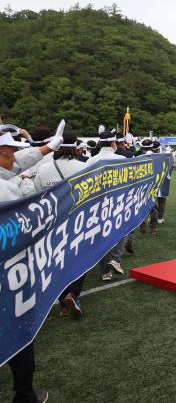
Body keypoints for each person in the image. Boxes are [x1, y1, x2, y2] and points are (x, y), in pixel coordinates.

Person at [0, 121, 63, 403]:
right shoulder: (6, 191)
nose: (15, 159)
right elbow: (31, 222)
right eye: (9, 153)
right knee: (19, 336)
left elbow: (17, 162)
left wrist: (46, 147)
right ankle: (24, 395)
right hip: (10, 276)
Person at [34, 131, 88, 318]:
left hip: (52, 222)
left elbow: (37, 195)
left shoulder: (43, 169)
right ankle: (73, 294)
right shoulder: (84, 166)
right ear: (76, 148)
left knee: (56, 261)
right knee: (81, 258)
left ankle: (63, 302)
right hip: (78, 219)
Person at [87, 131, 130, 280]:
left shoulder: (91, 161)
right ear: (113, 143)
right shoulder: (121, 159)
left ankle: (105, 271)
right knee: (123, 230)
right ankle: (116, 259)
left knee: (101, 236)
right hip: (118, 201)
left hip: (97, 204)